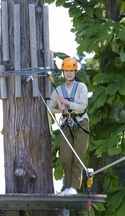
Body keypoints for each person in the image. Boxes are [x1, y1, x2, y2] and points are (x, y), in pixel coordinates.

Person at [49, 57, 89, 196]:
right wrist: (59, 110)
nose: (69, 73)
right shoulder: (58, 91)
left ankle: (74, 187)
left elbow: (82, 106)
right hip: (66, 124)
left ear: (75, 72)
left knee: (78, 156)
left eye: (71, 71)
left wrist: (66, 102)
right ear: (63, 72)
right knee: (66, 157)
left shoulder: (81, 87)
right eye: (66, 71)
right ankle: (67, 186)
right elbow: (49, 107)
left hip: (80, 123)